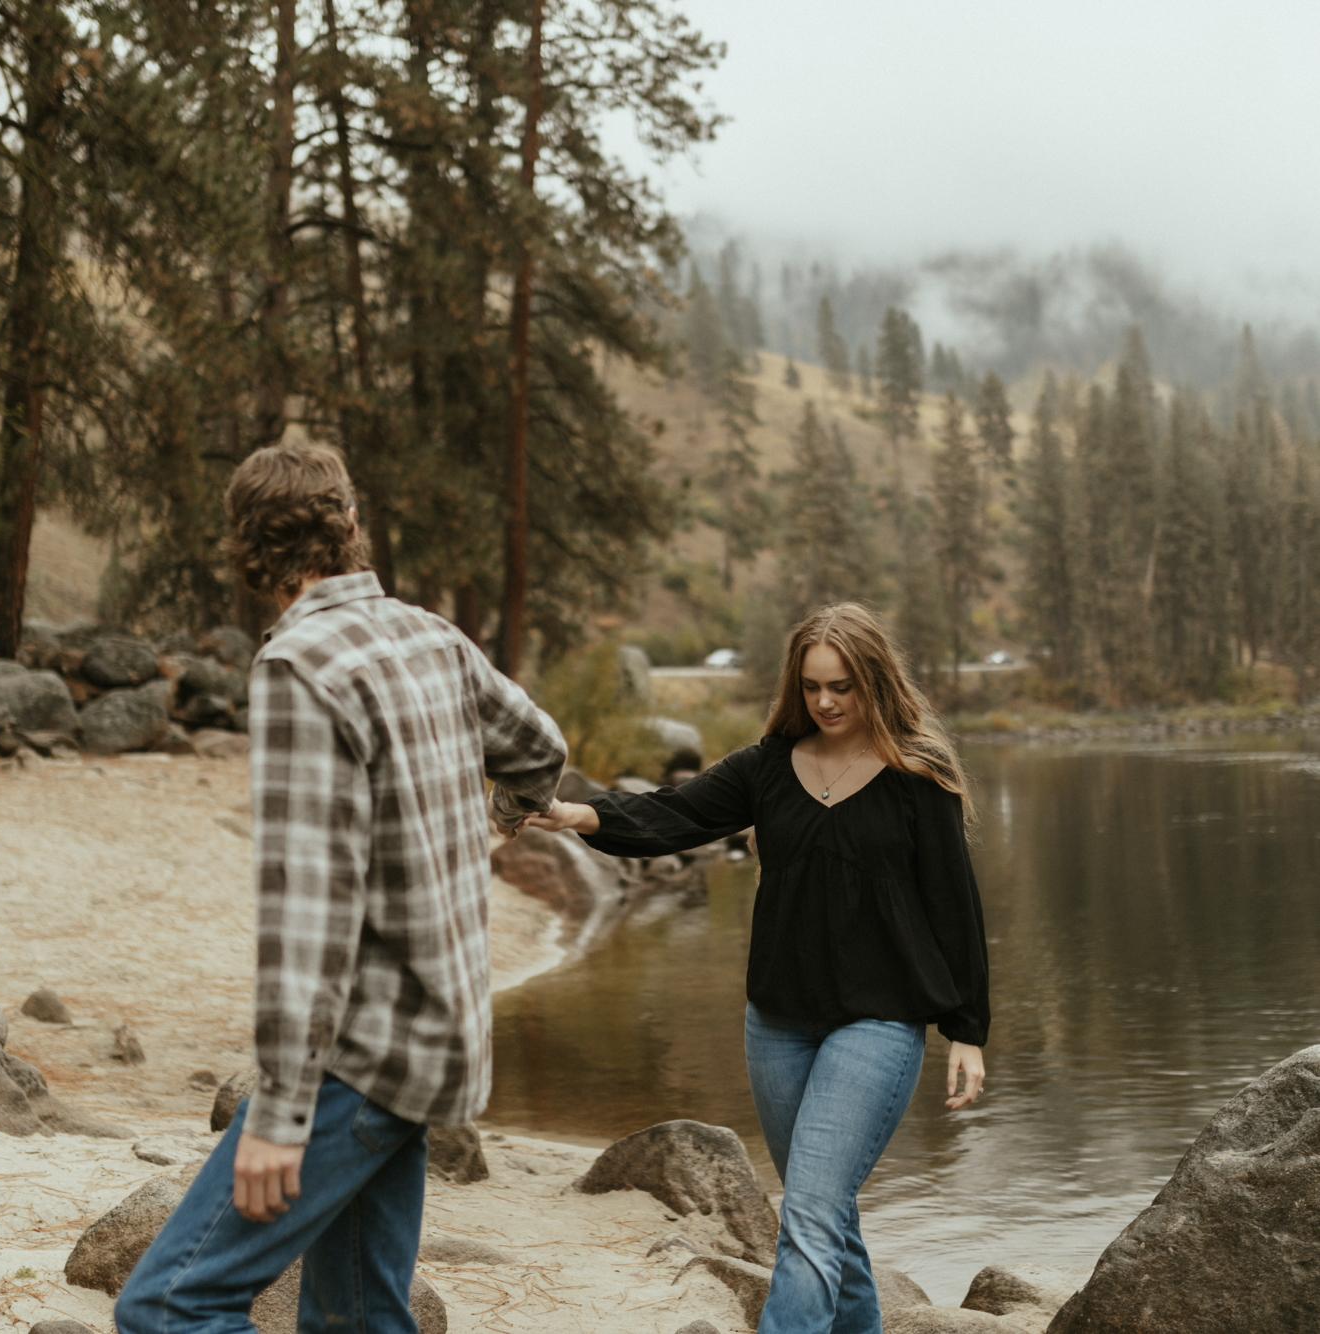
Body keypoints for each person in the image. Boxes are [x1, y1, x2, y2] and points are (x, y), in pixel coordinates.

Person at [116, 442, 567, 1332]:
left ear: (248, 552)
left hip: (358, 1060)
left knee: (167, 1308)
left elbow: (309, 914)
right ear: (352, 524)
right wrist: (498, 819)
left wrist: (279, 1116)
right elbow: (540, 750)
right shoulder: (432, 635)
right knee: (356, 1320)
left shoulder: (299, 667)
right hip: (437, 1043)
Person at [526, 602, 989, 1334]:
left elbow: (953, 905)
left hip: (879, 1021)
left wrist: (967, 1030)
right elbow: (676, 813)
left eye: (841, 686)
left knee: (810, 1210)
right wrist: (578, 815)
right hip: (778, 1025)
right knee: (823, 1210)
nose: (825, 702)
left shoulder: (918, 776)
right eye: (812, 686)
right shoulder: (769, 767)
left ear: (874, 681)